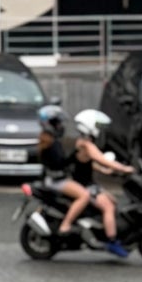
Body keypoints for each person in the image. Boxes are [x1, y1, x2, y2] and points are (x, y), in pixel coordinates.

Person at [38, 105, 133, 259]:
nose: (100, 131)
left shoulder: (81, 142)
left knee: (112, 200)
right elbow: (101, 159)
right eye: (98, 127)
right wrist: (125, 168)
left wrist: (104, 170)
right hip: (85, 185)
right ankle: (112, 241)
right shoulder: (86, 144)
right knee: (108, 207)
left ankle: (101, 229)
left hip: (86, 182)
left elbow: (85, 162)